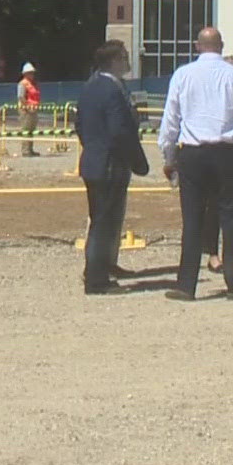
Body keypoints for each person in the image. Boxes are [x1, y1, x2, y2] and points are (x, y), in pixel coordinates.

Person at [157, 27, 233, 301]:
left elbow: (171, 120)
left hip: (192, 152)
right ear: (222, 46)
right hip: (229, 152)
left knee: (191, 219)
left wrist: (168, 157)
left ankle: (187, 284)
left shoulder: (183, 75)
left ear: (196, 46)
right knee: (230, 217)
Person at [76, 40, 151, 295]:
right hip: (109, 164)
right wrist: (138, 161)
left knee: (105, 218)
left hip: (94, 161)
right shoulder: (110, 90)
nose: (128, 60)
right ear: (115, 60)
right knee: (103, 221)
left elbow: (80, 125)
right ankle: (96, 280)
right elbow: (120, 130)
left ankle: (104, 265)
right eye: (125, 56)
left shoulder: (90, 87)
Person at [16, 62, 43, 157]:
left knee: (31, 130)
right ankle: (25, 151)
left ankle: (30, 149)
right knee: (26, 130)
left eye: (32, 73)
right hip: (26, 111)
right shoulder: (22, 84)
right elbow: (21, 97)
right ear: (25, 74)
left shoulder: (33, 84)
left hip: (33, 110)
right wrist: (27, 107)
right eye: (30, 73)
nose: (32, 75)